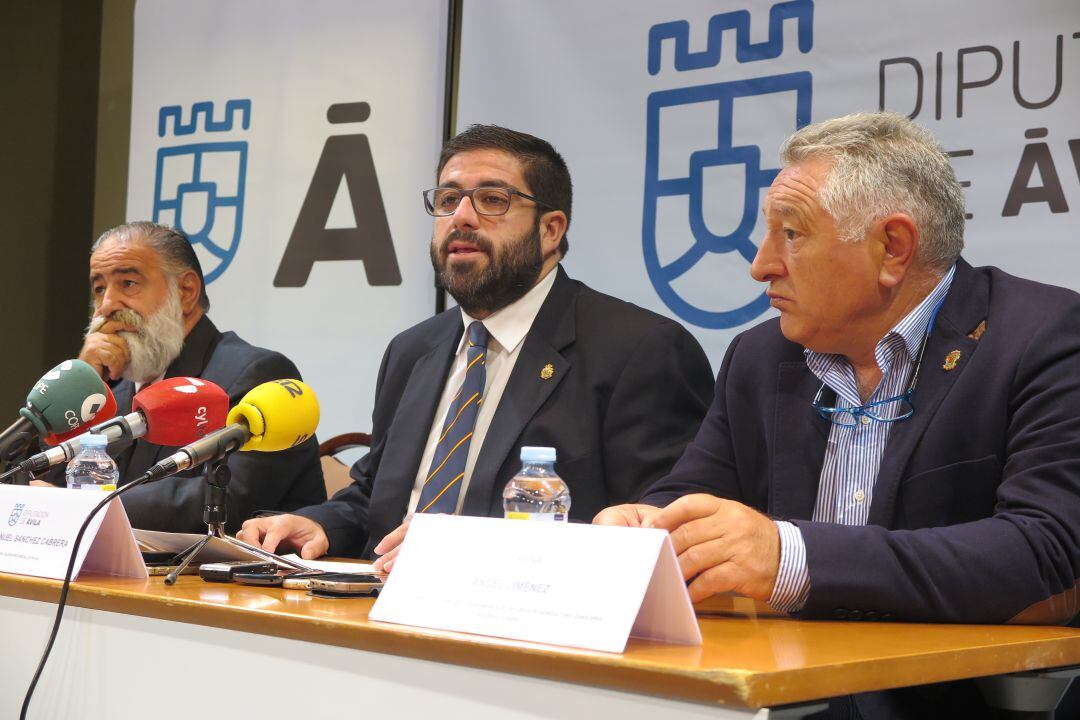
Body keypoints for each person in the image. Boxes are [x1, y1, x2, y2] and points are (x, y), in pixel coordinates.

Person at [596, 111, 1080, 717]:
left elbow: (1046, 552)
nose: (761, 264)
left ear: (892, 248)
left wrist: (790, 558)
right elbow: (693, 492)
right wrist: (650, 528)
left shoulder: (1043, 337)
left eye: (791, 234)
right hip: (773, 698)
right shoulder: (762, 355)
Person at [238, 125, 714, 561]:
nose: (460, 217)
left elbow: (658, 528)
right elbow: (377, 497)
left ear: (551, 230)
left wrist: (463, 554)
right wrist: (317, 522)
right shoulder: (412, 350)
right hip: (377, 616)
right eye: (447, 200)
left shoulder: (640, 350)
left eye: (491, 200)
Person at [38, 222, 325, 532]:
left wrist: (84, 508)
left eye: (129, 283)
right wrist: (85, 386)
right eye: (99, 288)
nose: (107, 305)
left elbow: (223, 500)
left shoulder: (256, 375)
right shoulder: (114, 391)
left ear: (186, 291)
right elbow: (47, 483)